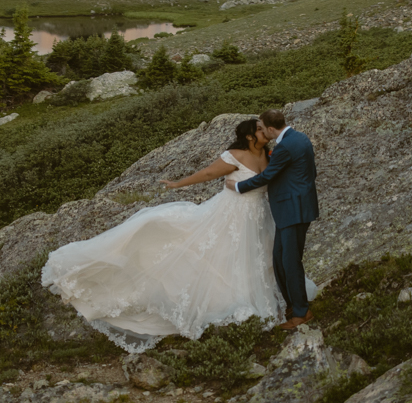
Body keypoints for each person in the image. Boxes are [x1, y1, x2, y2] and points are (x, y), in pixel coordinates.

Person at [41, 115, 315, 352]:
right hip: (232, 213)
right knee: (218, 255)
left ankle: (284, 303)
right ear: (249, 135)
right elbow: (208, 173)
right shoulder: (235, 156)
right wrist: (178, 184)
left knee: (261, 258)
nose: (264, 132)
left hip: (259, 216)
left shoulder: (269, 154)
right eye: (258, 129)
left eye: (263, 128)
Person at [228, 107, 318, 328]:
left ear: (270, 128)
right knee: (278, 258)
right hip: (296, 206)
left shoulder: (285, 147)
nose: (260, 132)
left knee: (290, 262)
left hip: (292, 210)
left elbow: (267, 176)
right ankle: (292, 303)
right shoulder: (300, 137)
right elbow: (309, 172)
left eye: (261, 128)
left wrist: (238, 186)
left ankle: (301, 312)